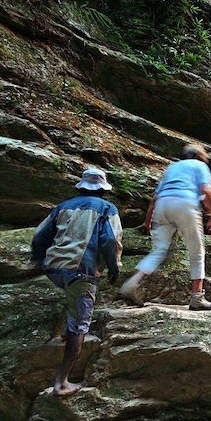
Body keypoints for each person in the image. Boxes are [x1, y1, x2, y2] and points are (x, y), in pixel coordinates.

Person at [31, 167, 123, 397]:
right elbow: (110, 241)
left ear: (81, 187)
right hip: (81, 272)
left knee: (71, 294)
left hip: (54, 269)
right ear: (103, 190)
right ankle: (62, 382)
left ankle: (64, 332)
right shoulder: (107, 209)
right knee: (81, 326)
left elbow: (39, 236)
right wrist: (114, 267)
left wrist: (39, 258)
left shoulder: (62, 207)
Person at [119, 144, 211, 311]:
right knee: (196, 252)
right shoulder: (199, 165)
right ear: (197, 156)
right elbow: (206, 191)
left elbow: (155, 197)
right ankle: (197, 298)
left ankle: (131, 283)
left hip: (162, 205)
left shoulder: (172, 167)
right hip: (185, 203)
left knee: (158, 251)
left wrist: (147, 221)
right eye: (204, 155)